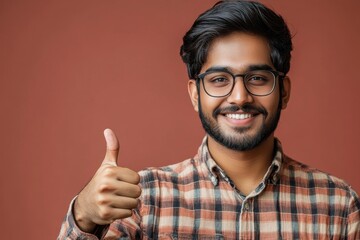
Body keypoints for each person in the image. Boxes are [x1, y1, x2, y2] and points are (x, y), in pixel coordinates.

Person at [58, 1, 360, 239]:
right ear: (195, 93)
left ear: (284, 91)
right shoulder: (142, 200)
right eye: (219, 79)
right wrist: (84, 215)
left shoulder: (338, 205)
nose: (239, 96)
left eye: (257, 78)